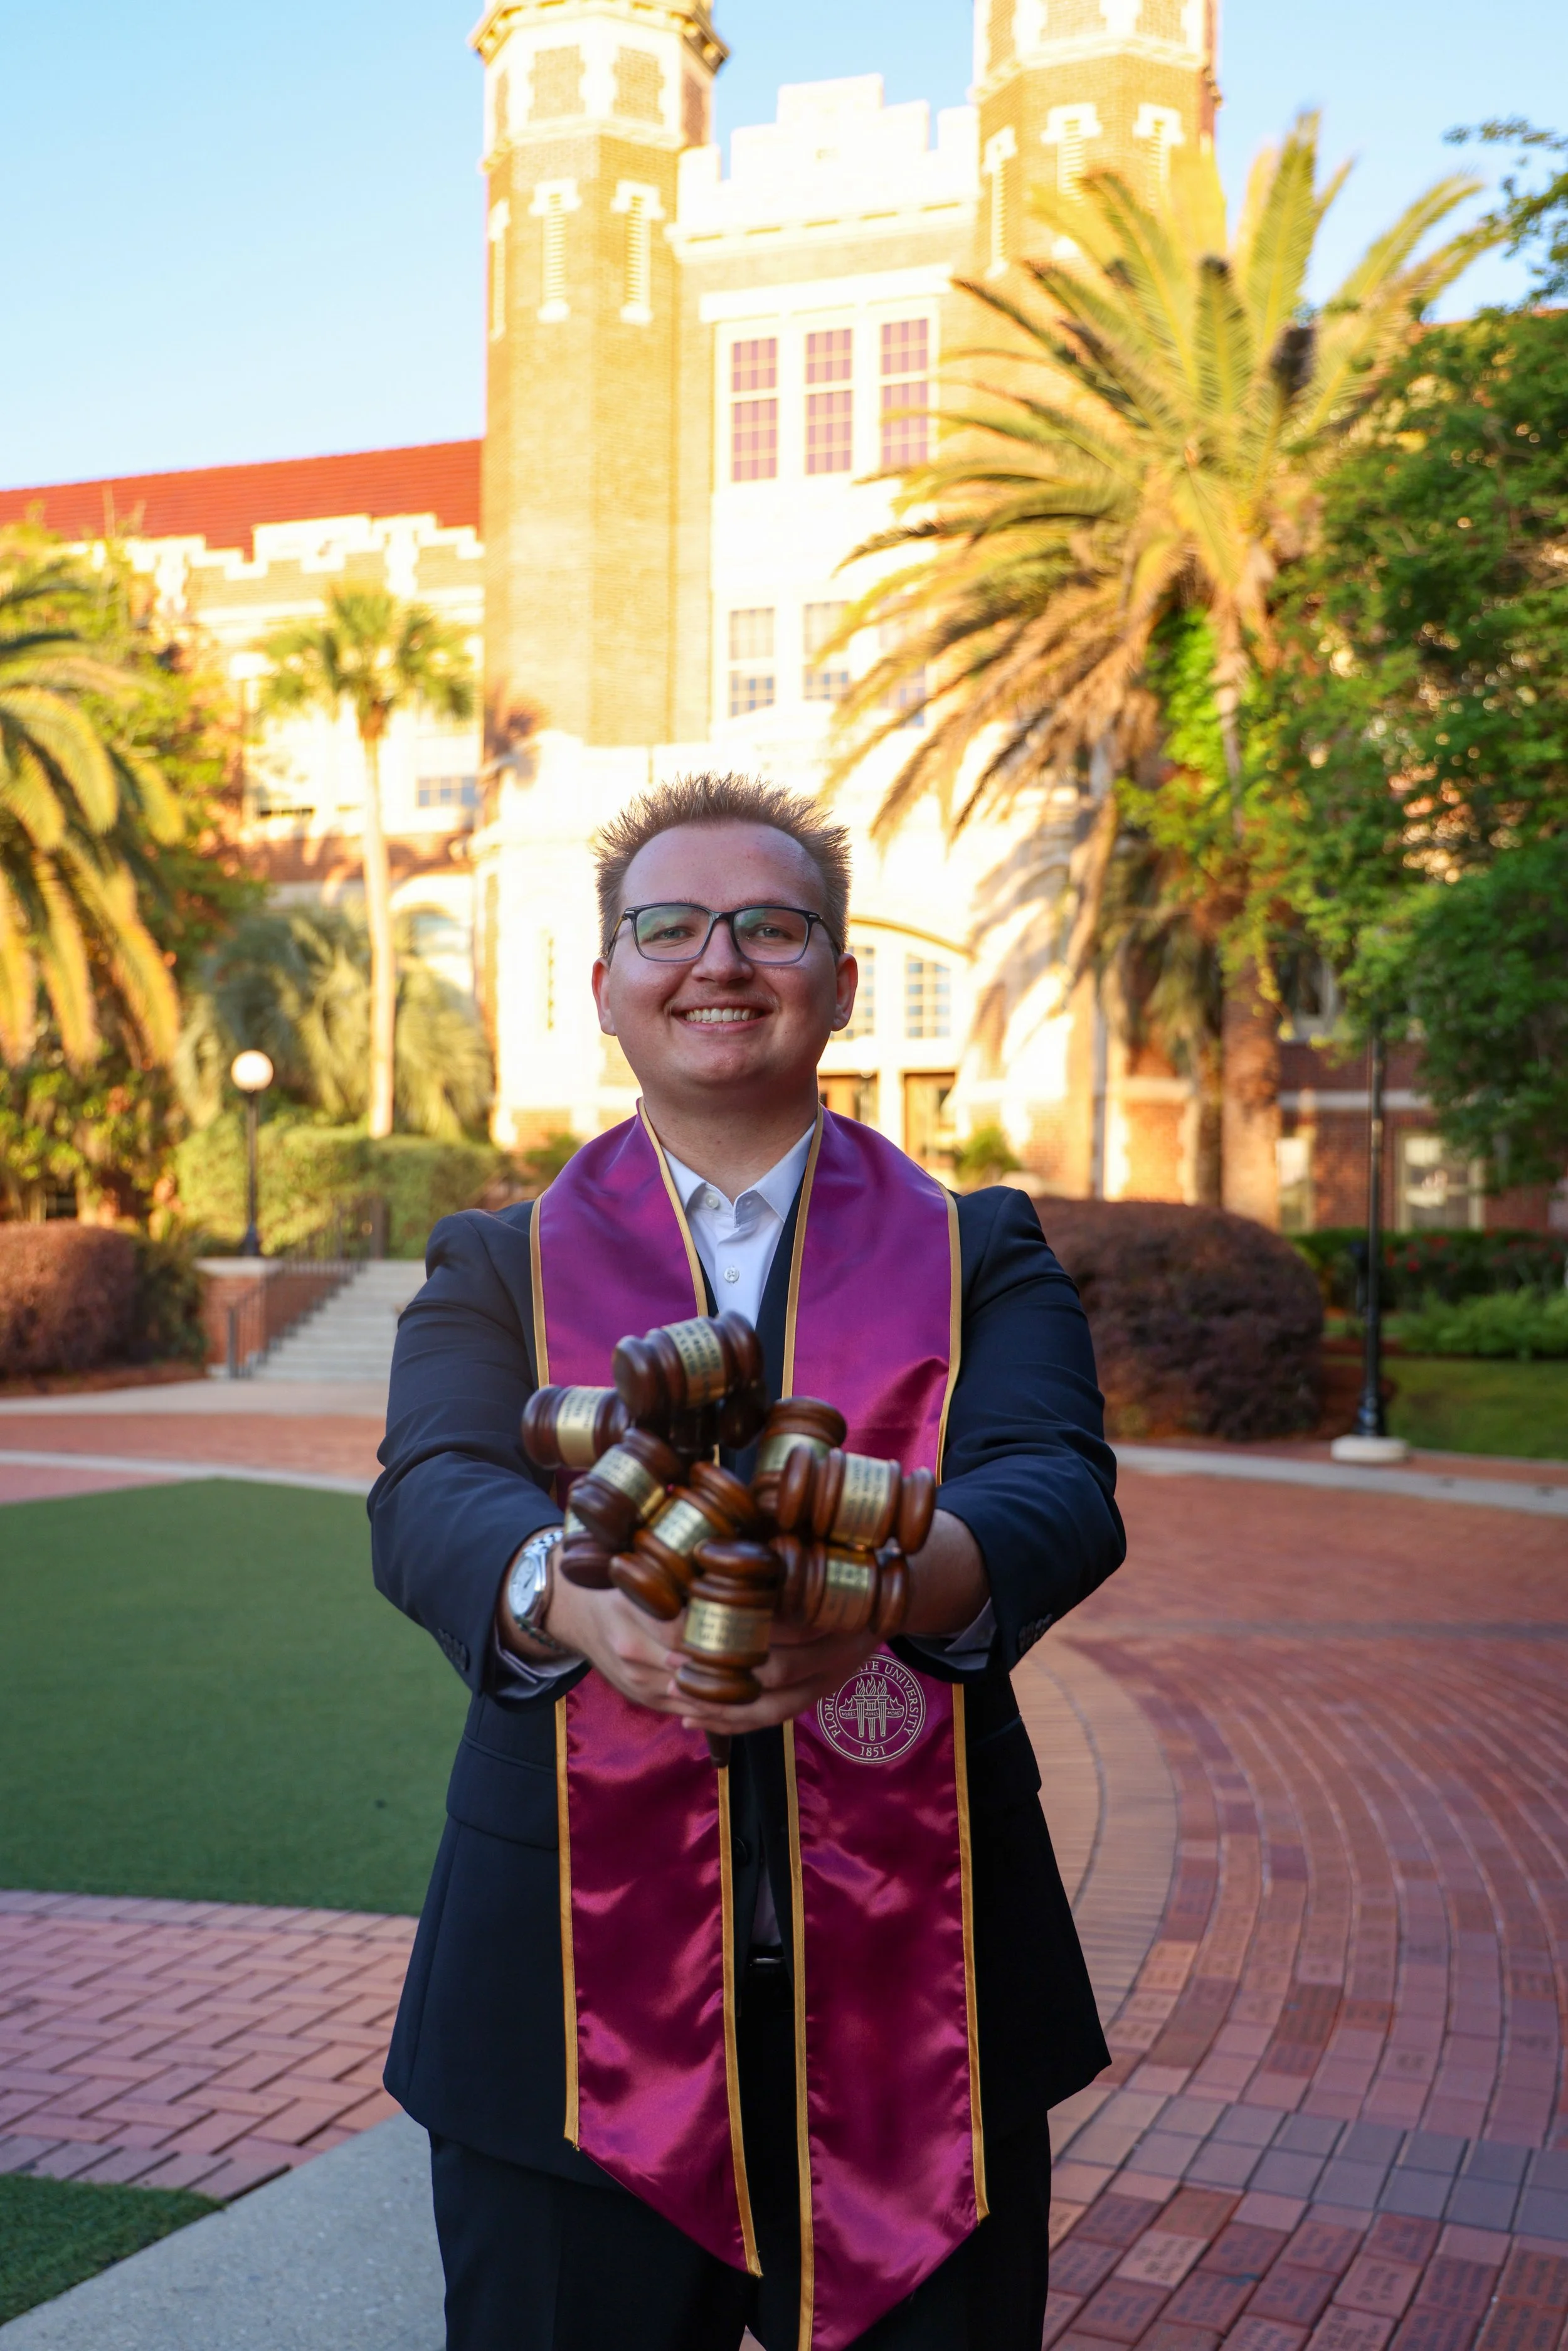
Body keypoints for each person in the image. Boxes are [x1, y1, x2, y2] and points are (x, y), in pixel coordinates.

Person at [370, 772, 1125, 2351]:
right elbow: (433, 1488)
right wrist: (566, 1595)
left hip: (931, 1998)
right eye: (668, 925)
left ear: (839, 980)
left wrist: (880, 1597)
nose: (718, 959)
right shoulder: (493, 1261)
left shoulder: (975, 1247)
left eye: (769, 925)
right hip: (565, 2014)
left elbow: (1054, 1484)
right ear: (605, 986)